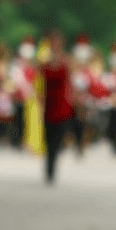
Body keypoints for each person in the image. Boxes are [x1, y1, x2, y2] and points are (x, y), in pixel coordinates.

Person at [39, 30, 75, 184]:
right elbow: (40, 86)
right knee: (48, 138)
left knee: (58, 137)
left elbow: (70, 84)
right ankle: (49, 166)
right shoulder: (44, 64)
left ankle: (53, 165)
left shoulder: (67, 62)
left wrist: (72, 101)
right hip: (49, 103)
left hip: (62, 104)